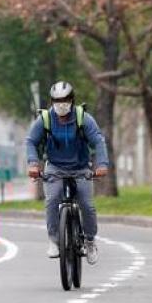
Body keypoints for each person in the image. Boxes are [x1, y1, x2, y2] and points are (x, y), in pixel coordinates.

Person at [25, 81, 109, 264]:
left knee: (87, 204)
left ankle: (89, 241)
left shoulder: (83, 118)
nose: (61, 103)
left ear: (72, 100)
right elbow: (31, 141)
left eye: (64, 99)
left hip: (81, 167)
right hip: (55, 167)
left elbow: (98, 141)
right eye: (57, 100)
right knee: (52, 199)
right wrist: (33, 164)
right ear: (52, 101)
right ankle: (54, 240)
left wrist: (101, 164)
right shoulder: (45, 119)